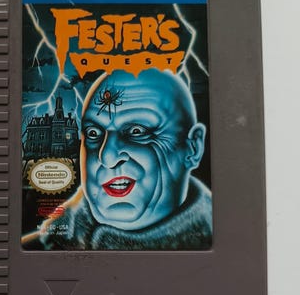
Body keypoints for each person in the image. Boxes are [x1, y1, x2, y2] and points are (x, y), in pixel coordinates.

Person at [24, 68, 212, 250]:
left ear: (193, 149)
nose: (107, 157)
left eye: (137, 131)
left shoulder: (222, 249)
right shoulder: (36, 249)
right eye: (93, 133)